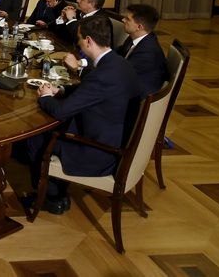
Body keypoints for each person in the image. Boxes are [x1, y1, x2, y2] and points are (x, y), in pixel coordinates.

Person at [25, 16, 140, 214]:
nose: (78, 44)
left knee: (34, 137)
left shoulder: (101, 75)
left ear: (88, 41)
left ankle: (52, 198)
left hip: (99, 151)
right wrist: (59, 91)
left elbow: (61, 111)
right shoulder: (119, 64)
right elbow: (91, 92)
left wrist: (45, 97)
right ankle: (56, 188)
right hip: (114, 136)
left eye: (79, 40)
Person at [117, 4, 169, 96]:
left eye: (127, 19)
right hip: (126, 85)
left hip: (135, 100)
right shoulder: (134, 38)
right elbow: (118, 53)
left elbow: (121, 74)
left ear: (139, 27)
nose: (123, 20)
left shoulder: (147, 53)